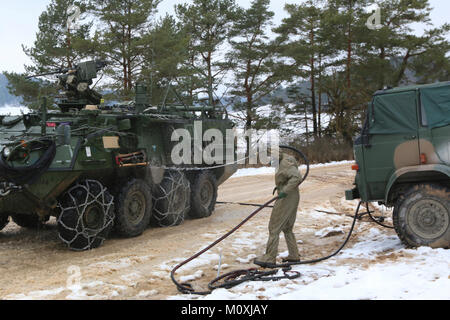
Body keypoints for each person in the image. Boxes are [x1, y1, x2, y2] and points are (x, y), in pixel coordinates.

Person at [254, 153, 302, 268]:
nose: (268, 164)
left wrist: (284, 190)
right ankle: (294, 255)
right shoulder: (284, 159)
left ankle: (269, 258)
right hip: (292, 195)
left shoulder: (284, 162)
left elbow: (297, 177)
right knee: (287, 227)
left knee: (274, 227)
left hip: (287, 197)